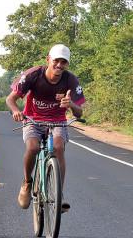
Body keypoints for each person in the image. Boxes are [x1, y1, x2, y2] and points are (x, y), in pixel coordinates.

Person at [5, 44, 86, 212]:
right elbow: (11, 99)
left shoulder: (70, 80)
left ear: (67, 64)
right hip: (33, 119)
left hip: (58, 121)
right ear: (48, 60)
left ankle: (59, 193)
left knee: (58, 147)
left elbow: (79, 113)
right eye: (56, 60)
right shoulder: (33, 75)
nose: (59, 65)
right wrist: (16, 112)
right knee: (33, 147)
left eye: (64, 62)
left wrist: (71, 104)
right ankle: (27, 183)